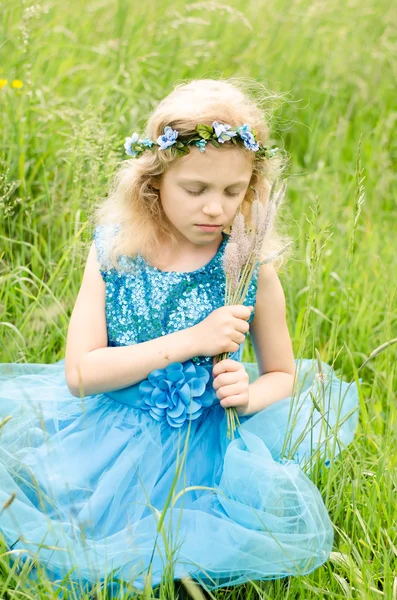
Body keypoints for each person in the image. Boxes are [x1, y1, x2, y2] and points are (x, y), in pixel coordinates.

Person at [0, 78, 359, 597]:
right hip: (110, 431)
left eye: (233, 192)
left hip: (205, 443)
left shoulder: (249, 267)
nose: (216, 208)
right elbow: (80, 375)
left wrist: (250, 393)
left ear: (251, 188)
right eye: (196, 190)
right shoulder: (114, 254)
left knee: (186, 543)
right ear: (154, 183)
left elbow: (283, 373)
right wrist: (193, 338)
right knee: (72, 530)